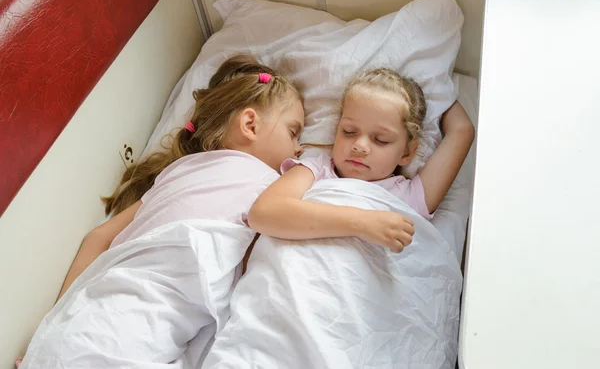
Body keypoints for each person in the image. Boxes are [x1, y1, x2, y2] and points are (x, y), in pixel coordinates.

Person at [17, 55, 305, 368]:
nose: (299, 148)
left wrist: (57, 320)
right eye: (293, 132)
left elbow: (98, 236)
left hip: (87, 318)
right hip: (127, 331)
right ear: (250, 125)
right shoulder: (268, 181)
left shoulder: (175, 172)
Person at [248, 68, 475, 253]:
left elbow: (462, 131)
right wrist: (362, 223)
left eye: (380, 139)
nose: (359, 146)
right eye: (349, 131)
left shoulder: (410, 196)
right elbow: (263, 213)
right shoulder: (317, 169)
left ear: (407, 153)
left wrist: (437, 80)